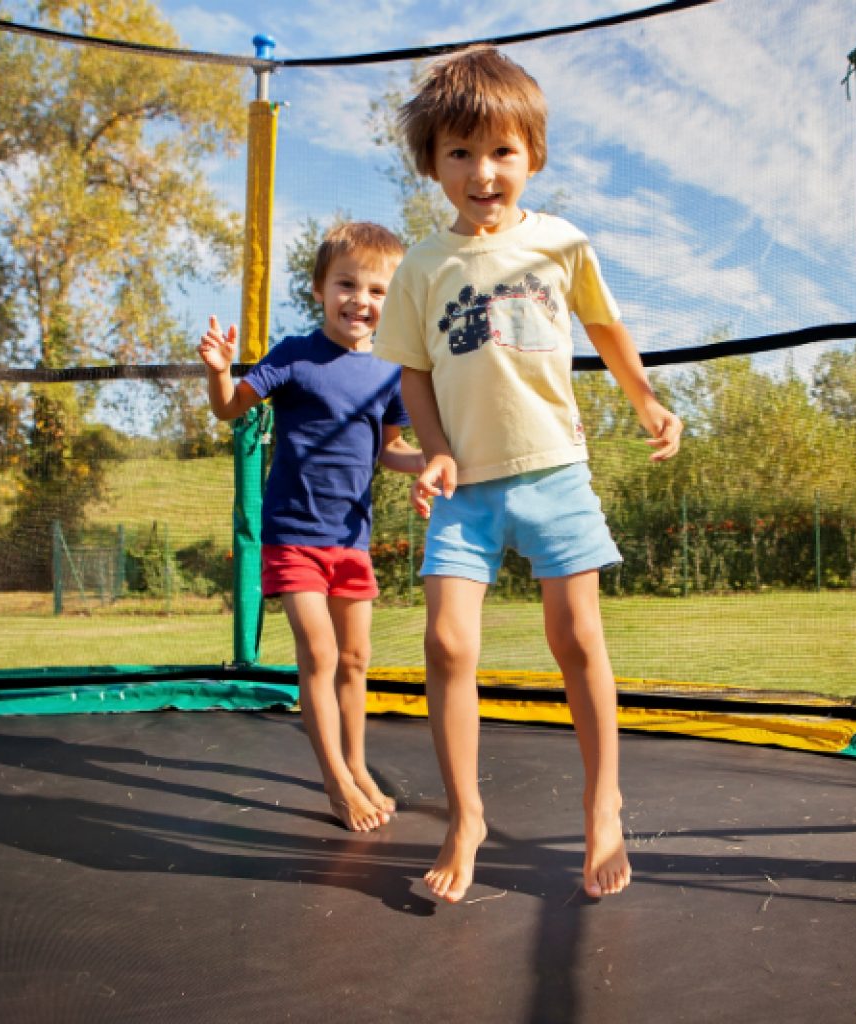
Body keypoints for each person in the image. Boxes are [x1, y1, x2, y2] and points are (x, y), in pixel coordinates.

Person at [371, 47, 683, 901]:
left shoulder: (561, 242)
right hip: (465, 488)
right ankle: (465, 815)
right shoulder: (422, 267)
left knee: (577, 639)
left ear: (532, 157)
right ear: (433, 164)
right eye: (461, 154)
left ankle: (603, 803)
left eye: (502, 151)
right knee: (446, 643)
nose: (483, 172)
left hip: (553, 472)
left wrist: (648, 401)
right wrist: (433, 449)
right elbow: (414, 375)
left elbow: (609, 330)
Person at [198, 221, 424, 833]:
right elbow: (229, 407)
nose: (361, 300)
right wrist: (220, 370)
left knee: (355, 657)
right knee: (319, 652)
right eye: (347, 284)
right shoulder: (294, 355)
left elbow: (391, 450)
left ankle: (356, 764)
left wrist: (429, 465)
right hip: (294, 535)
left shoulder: (389, 372)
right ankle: (335, 783)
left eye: (377, 291)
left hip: (353, 540)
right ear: (320, 289)